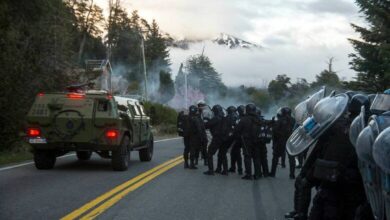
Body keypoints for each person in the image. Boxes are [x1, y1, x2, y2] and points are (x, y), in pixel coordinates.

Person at [234, 103, 262, 180]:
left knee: (247, 156)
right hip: (257, 140)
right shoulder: (259, 118)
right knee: (256, 157)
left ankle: (248, 174)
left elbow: (237, 129)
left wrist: (238, 136)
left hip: (246, 140)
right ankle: (258, 174)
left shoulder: (244, 119)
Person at [270, 107, 295, 179]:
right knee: (291, 157)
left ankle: (272, 173)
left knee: (275, 156)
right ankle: (292, 175)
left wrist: (277, 138)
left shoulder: (280, 120)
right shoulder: (293, 120)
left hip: (281, 140)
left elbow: (274, 130)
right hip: (291, 140)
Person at [215, 106, 238, 175]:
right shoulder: (237, 117)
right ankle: (220, 168)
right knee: (222, 153)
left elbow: (224, 128)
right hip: (233, 137)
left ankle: (224, 170)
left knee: (222, 153)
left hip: (226, 138)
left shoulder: (228, 118)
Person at [203, 105, 225, 175]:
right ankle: (224, 170)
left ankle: (211, 170)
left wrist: (206, 119)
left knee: (209, 154)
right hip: (224, 138)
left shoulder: (216, 118)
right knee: (223, 154)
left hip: (217, 138)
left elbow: (206, 125)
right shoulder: (224, 118)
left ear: (215, 111)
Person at [187, 105, 207, 169]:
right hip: (196, 136)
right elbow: (199, 128)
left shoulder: (187, 117)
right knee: (197, 149)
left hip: (189, 136)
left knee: (192, 149)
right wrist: (201, 136)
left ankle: (192, 163)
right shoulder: (196, 118)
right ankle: (193, 163)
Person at [229, 105, 245, 175]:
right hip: (243, 138)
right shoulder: (244, 117)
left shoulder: (238, 118)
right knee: (234, 153)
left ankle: (239, 169)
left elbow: (234, 128)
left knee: (237, 154)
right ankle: (233, 168)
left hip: (238, 138)